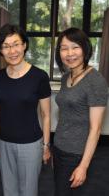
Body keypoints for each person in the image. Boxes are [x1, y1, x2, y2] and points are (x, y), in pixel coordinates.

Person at [0, 24, 51, 196]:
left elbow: (46, 115)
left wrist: (46, 146)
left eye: (16, 44)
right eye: (5, 46)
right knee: (8, 190)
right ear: (0, 51)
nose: (12, 51)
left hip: (31, 144)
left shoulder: (39, 76)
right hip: (3, 143)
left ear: (24, 45)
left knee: (28, 191)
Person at [53, 27, 108, 196]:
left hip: (77, 154)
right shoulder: (66, 77)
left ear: (85, 48)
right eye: (64, 48)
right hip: (59, 148)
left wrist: (83, 166)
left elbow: (96, 129)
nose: (70, 53)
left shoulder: (95, 81)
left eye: (75, 47)